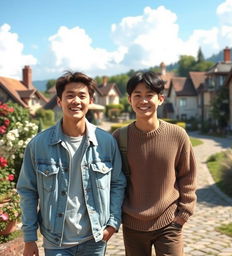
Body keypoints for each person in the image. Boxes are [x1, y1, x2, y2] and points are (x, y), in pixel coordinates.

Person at [17, 71, 126, 256]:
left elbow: (117, 183)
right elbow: (27, 191)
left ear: (90, 100)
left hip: (95, 239)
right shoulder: (38, 145)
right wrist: (29, 238)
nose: (76, 101)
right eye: (69, 95)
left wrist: (113, 224)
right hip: (55, 241)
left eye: (82, 96)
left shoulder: (106, 143)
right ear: (59, 101)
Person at [113, 71, 197, 256]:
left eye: (149, 95)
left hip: (169, 223)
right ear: (129, 100)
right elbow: (111, 180)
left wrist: (183, 215)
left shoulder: (177, 135)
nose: (143, 101)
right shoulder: (120, 138)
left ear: (160, 99)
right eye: (137, 95)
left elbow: (187, 176)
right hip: (133, 225)